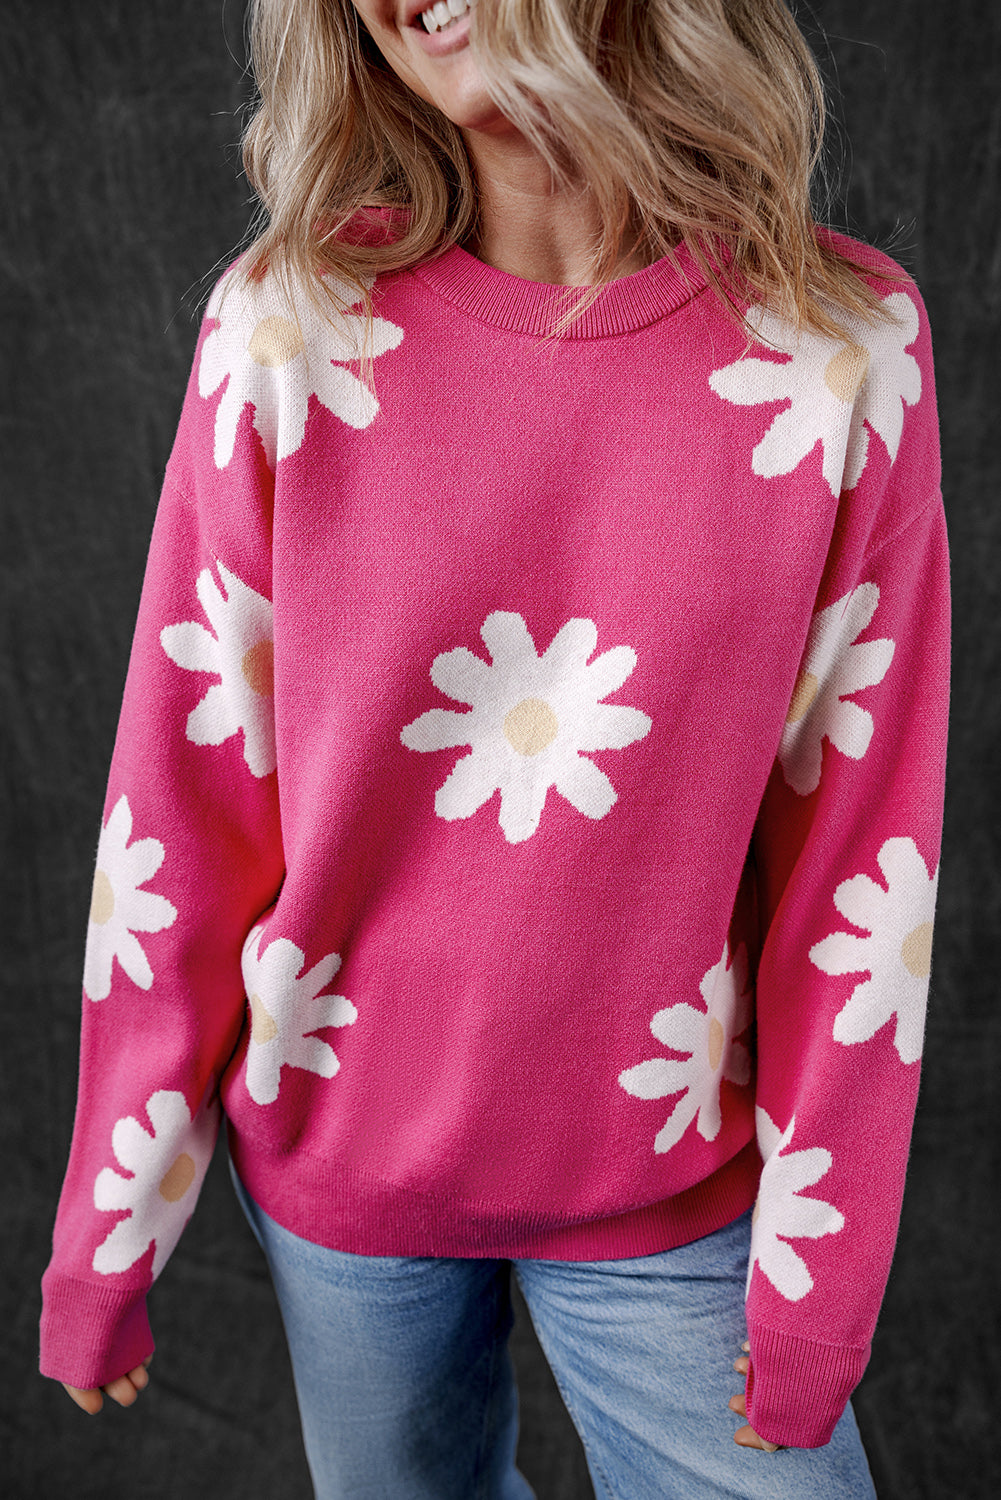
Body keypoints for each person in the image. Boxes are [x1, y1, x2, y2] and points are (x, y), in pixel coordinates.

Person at [39, 1, 948, 1495]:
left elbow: (862, 867)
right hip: (343, 1178)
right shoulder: (290, 331)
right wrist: (104, 1237)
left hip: (669, 1181)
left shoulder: (836, 351)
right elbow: (181, 811)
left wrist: (816, 1291)